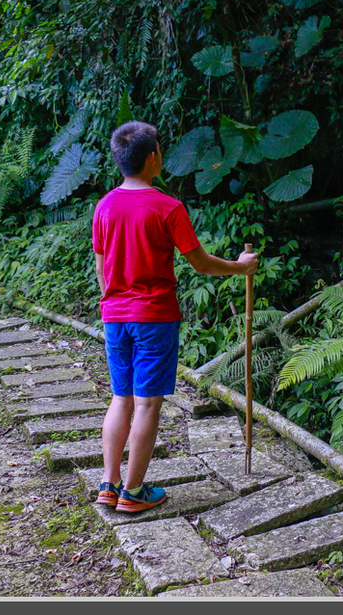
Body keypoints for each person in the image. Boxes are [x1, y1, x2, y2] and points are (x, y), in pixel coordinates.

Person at [91, 120, 258, 513]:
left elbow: (102, 268)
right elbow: (200, 264)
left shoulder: (104, 206)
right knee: (147, 404)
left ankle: (109, 484)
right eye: (160, 151)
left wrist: (113, 301)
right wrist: (241, 266)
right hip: (154, 316)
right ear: (152, 159)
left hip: (115, 315)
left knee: (121, 397)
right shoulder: (168, 207)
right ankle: (133, 492)